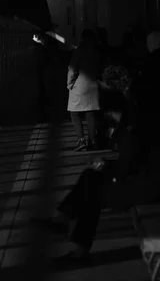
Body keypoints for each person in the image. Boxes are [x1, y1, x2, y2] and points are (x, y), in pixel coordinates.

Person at [33, 64, 160, 260]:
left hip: (147, 187)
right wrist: (107, 167)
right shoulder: (133, 116)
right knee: (90, 177)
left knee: (93, 190)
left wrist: (109, 170)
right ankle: (65, 223)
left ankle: (76, 242)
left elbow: (129, 164)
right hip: (145, 178)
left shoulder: (131, 125)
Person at [67, 29, 102, 151]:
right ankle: (93, 141)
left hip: (79, 86)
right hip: (93, 86)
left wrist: (69, 84)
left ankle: (81, 140)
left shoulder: (78, 51)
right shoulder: (96, 52)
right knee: (90, 114)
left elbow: (72, 69)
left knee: (74, 113)